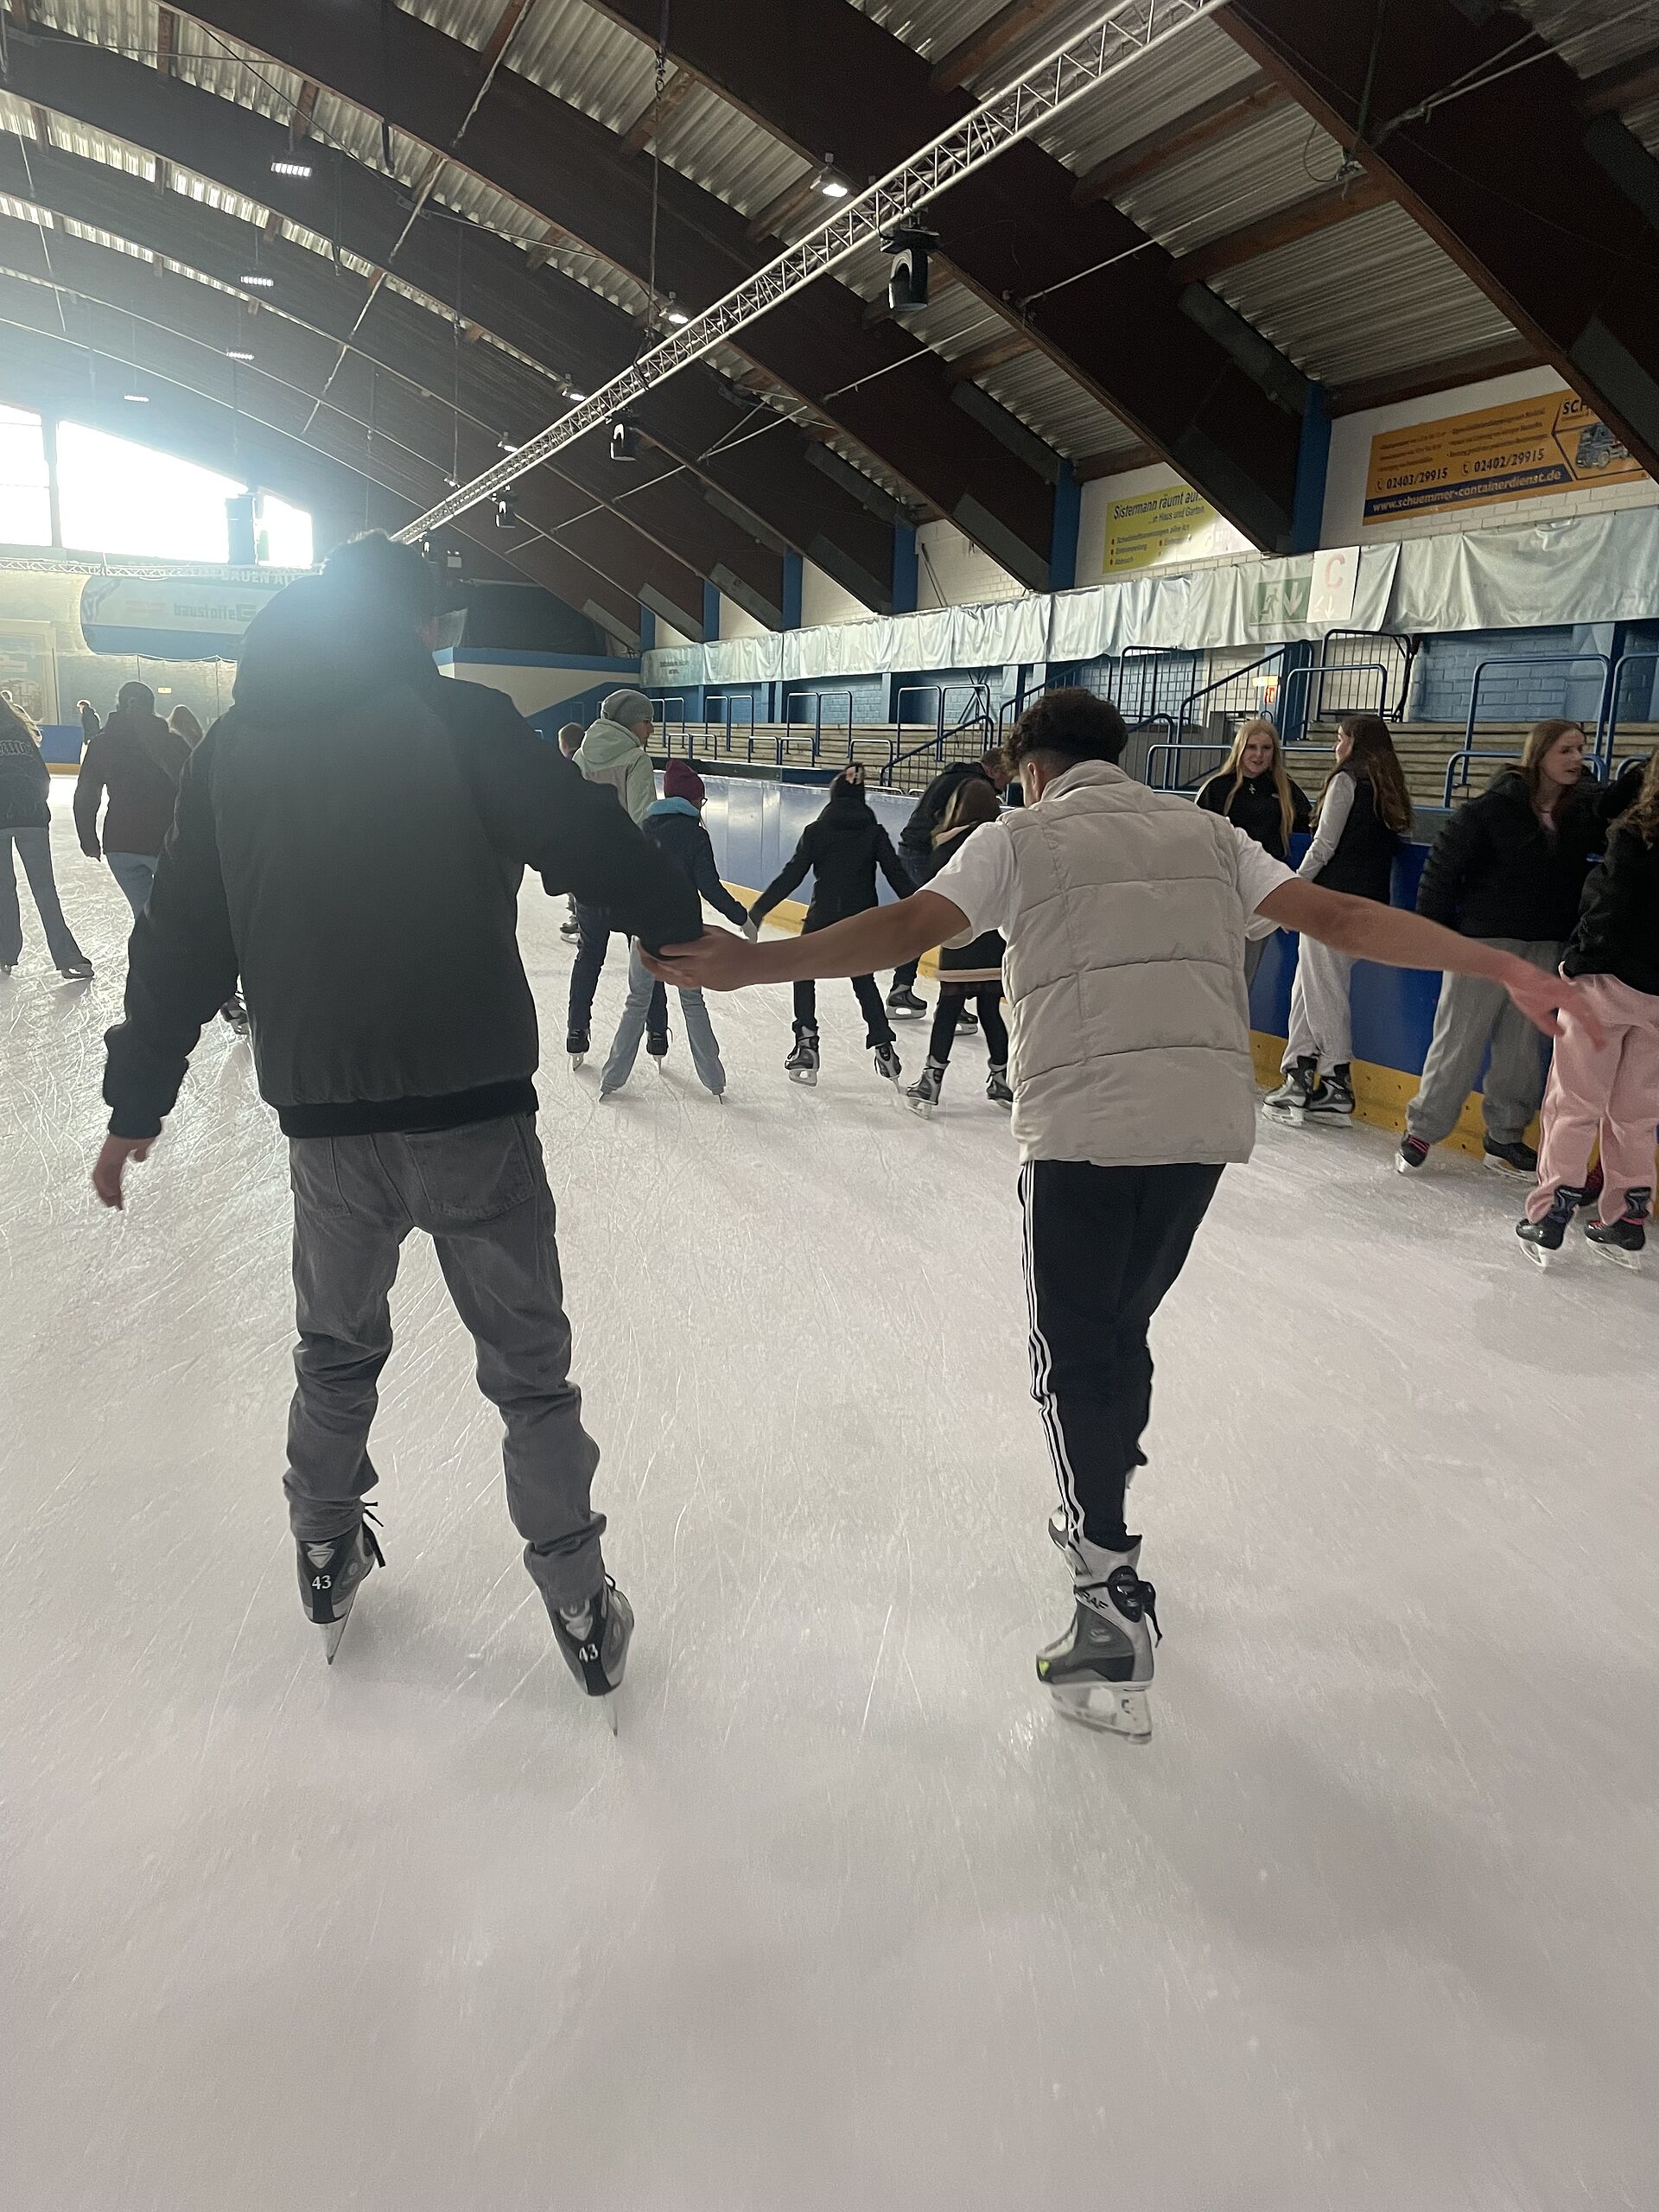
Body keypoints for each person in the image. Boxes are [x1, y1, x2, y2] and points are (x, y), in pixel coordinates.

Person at [648, 688, 1591, 1744]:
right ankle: (1105, 1493)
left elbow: (907, 924)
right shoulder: (1208, 831)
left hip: (1085, 1133)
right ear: (1119, 755)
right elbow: (1344, 919)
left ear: (1031, 766)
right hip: (1200, 1132)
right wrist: (1502, 963)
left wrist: (752, 962)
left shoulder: (1022, 833)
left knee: (1071, 1350)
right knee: (1119, 1329)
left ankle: (1106, 1588)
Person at [90, 532, 700, 1709]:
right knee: (530, 1376)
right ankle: (577, 1599)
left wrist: (137, 1100)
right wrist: (671, 923)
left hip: (325, 1127)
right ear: (413, 622)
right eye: (438, 622)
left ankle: (324, 1546)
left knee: (334, 1352)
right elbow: (579, 835)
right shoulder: (459, 722)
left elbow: (181, 941)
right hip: (471, 1112)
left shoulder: (230, 750)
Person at [1400, 719, 1611, 1175]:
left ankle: (1504, 1136)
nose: (1577, 759)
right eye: (1566, 751)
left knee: (1523, 1046)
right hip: (1484, 943)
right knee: (1460, 1038)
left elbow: (1615, 821)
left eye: (1581, 749)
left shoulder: (1577, 815)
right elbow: (1441, 865)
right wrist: (1438, 933)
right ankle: (1423, 1128)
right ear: (1539, 756)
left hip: (1545, 944)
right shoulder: (1494, 808)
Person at [1516, 749, 1659, 1266]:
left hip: (1607, 985)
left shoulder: (1635, 834)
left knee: (1574, 1103)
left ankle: (1551, 1212)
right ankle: (1627, 1215)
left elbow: (1608, 906)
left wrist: (1576, 965)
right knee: (1637, 1115)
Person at [1265, 712, 1414, 1123]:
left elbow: (1323, 845)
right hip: (1367, 906)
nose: (1336, 745)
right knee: (1309, 986)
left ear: (1352, 743)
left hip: (1332, 903)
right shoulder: (1387, 788)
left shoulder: (1346, 781)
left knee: (1323, 989)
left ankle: (1335, 1081)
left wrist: (1291, 890)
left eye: (1339, 737)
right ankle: (1297, 1074)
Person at [747, 761, 910, 1089]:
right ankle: (883, 1045)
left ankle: (806, 1042)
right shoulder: (874, 832)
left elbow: (792, 875)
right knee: (863, 979)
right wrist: (924, 909)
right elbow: (897, 875)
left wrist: (758, 912)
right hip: (862, 922)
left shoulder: (817, 831)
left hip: (822, 920)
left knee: (802, 971)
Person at [600, 758, 747, 1101]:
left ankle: (611, 1079)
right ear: (693, 801)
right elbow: (710, 887)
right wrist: (741, 917)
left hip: (647, 931)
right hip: (684, 934)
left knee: (636, 1002)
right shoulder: (696, 836)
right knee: (692, 1002)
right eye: (701, 800)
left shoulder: (645, 828)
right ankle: (714, 1081)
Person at [565, 690, 665, 1065]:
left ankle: (577, 1032)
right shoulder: (637, 760)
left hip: (589, 876)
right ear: (630, 723)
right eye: (646, 721)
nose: (651, 729)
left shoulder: (578, 758)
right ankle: (656, 1033)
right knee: (644, 954)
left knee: (589, 954)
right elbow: (644, 821)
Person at [905, 776, 1011, 1115]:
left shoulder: (948, 845)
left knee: (948, 1011)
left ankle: (932, 1080)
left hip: (959, 940)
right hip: (994, 941)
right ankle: (1002, 1078)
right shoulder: (1002, 842)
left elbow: (939, 892)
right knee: (990, 1010)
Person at [887, 748, 1009, 1020]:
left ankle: (903, 988)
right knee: (953, 918)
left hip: (912, 850)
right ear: (995, 770)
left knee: (933, 921)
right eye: (1006, 776)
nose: (1006, 783)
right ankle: (952, 1001)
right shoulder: (974, 785)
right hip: (924, 854)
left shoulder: (955, 776)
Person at [1195, 718, 1312, 987]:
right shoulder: (1218, 788)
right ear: (1240, 749)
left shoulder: (1285, 790)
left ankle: (1235, 1028)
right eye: (1252, 747)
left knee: (1244, 977)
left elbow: (1307, 836)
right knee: (1213, 974)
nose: (1258, 755)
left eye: (1266, 748)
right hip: (1223, 889)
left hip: (1263, 893)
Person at [73, 680, 190, 918]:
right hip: (166, 842)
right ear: (152, 707)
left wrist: (88, 839)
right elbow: (194, 791)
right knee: (179, 917)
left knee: (144, 917)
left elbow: (86, 795)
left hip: (120, 843)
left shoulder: (101, 744)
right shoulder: (172, 743)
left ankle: (148, 954)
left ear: (118, 706)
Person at [1, 696, 93, 979]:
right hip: (32, 820)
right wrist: (39, 809)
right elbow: (42, 776)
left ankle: (5, 953)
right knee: (44, 889)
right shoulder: (20, 733)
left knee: (3, 889)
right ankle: (67, 957)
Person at [556, 722, 583, 938]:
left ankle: (579, 919)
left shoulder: (564, 765)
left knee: (574, 880)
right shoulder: (588, 760)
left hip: (570, 832)